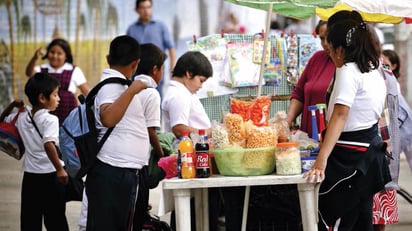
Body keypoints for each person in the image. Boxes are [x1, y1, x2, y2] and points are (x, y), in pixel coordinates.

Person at [304, 11, 392, 231]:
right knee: (361, 218)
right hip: (369, 152)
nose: (330, 55)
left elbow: (340, 115)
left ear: (340, 49)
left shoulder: (348, 71)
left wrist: (321, 158)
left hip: (350, 157)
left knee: (339, 216)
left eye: (331, 49)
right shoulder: (374, 68)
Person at [85, 35, 151, 231]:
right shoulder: (112, 86)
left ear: (108, 58)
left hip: (118, 173)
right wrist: (132, 90)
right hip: (111, 172)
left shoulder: (117, 85)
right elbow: (108, 118)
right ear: (136, 63)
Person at [162, 51, 223, 230]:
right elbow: (179, 128)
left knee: (198, 209)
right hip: (190, 159)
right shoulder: (179, 95)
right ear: (188, 74)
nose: (201, 86)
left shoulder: (183, 92)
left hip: (195, 157)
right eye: (201, 80)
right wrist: (210, 132)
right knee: (191, 212)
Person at [0, 73, 69, 231]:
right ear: (42, 98)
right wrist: (60, 169)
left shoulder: (22, 116)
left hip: (30, 177)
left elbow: (2, 121)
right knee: (55, 219)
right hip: (51, 176)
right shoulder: (50, 119)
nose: (58, 98)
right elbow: (48, 144)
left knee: (30, 220)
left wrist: (12, 105)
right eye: (55, 95)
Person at [132, 43, 167, 231]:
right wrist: (162, 154)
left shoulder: (130, 86)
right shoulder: (151, 93)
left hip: (127, 161)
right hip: (140, 160)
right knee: (139, 214)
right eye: (162, 69)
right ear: (155, 69)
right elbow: (150, 130)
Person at [25, 38, 90, 126]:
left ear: (66, 56)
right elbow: (29, 73)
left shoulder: (73, 70)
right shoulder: (42, 69)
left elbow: (86, 91)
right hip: (45, 114)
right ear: (48, 53)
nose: (55, 56)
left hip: (69, 113)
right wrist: (34, 58)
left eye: (59, 53)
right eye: (52, 52)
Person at [286, 20, 335, 136]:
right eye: (322, 38)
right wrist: (287, 121)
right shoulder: (317, 58)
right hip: (308, 133)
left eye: (328, 37)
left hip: (330, 135)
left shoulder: (345, 64)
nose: (325, 43)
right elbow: (299, 93)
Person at [126, 0, 176, 98]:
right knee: (137, 99)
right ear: (137, 10)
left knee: (157, 98)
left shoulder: (160, 26)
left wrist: (173, 68)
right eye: (143, 8)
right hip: (137, 71)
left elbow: (171, 48)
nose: (146, 11)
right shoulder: (131, 29)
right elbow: (129, 52)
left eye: (148, 7)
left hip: (156, 70)